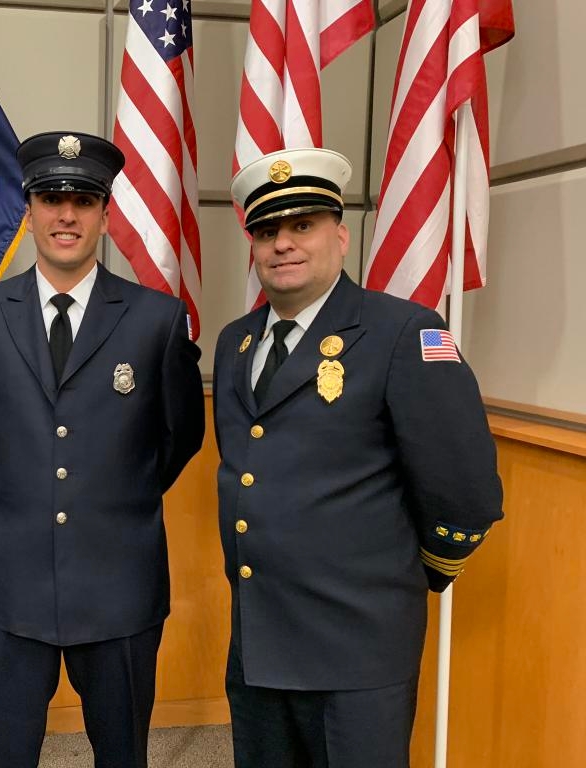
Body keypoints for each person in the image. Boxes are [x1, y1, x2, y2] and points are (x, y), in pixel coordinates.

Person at [213, 147, 504, 767]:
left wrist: (416, 572)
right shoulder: (236, 342)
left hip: (358, 646)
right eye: (267, 231)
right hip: (261, 639)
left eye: (302, 226)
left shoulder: (403, 334)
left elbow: (467, 487)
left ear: (340, 236)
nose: (283, 244)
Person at [0, 131, 205, 768]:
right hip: (10, 578)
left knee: (121, 751)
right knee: (8, 749)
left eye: (83, 201)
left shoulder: (156, 319)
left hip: (120, 582)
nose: (66, 215)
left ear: (106, 215)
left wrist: (110, 495)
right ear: (28, 211)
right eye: (51, 198)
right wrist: (23, 486)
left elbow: (179, 437)